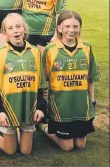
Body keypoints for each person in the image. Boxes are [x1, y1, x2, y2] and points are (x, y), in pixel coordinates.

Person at [38, 10, 100, 151]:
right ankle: (43, 126)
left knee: (80, 145)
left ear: (79, 28)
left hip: (81, 107)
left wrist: (92, 100)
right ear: (59, 28)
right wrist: (44, 104)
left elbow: (90, 79)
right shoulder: (50, 50)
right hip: (61, 107)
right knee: (67, 147)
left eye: (75, 26)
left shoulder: (87, 47)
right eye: (67, 26)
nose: (71, 30)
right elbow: (43, 80)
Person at [0, 13, 46, 155]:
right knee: (10, 151)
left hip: (29, 107)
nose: (16, 31)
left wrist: (40, 107)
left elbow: (40, 84)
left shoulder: (35, 53)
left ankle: (22, 130)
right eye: (11, 28)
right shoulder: (0, 54)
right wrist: (0, 111)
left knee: (26, 151)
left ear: (24, 29)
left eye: (18, 26)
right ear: (5, 33)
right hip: (8, 109)